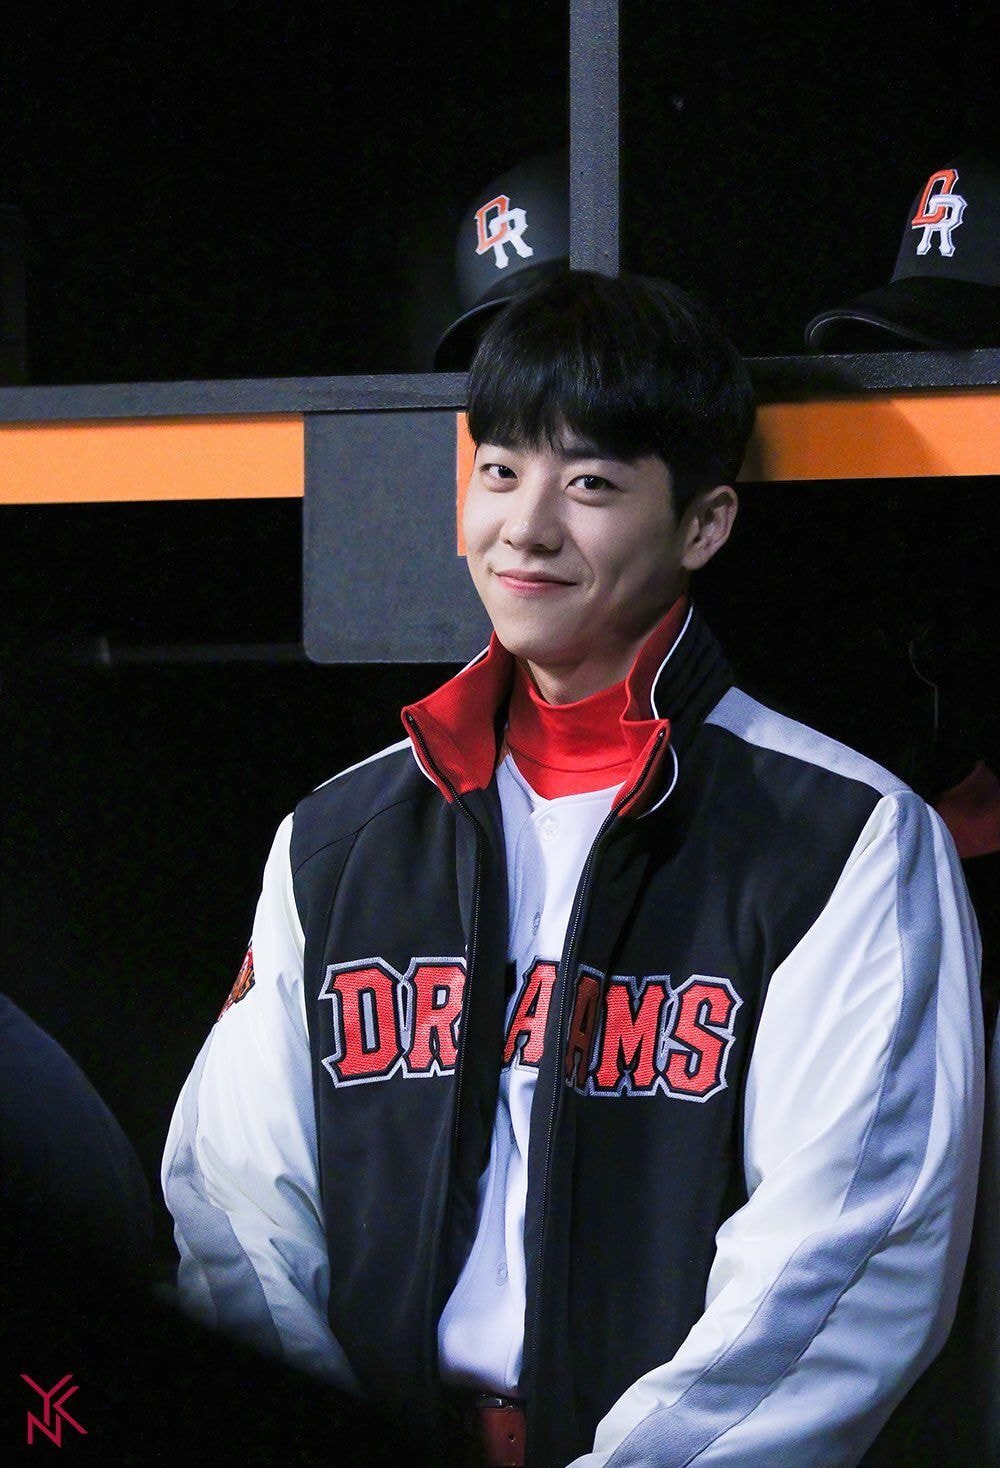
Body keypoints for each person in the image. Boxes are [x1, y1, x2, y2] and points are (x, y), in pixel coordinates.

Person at [162, 270, 984, 1468]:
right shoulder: (337, 838)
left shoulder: (843, 840)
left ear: (702, 524)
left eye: (590, 483)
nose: (526, 527)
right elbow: (235, 1210)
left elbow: (847, 1260)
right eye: (500, 471)